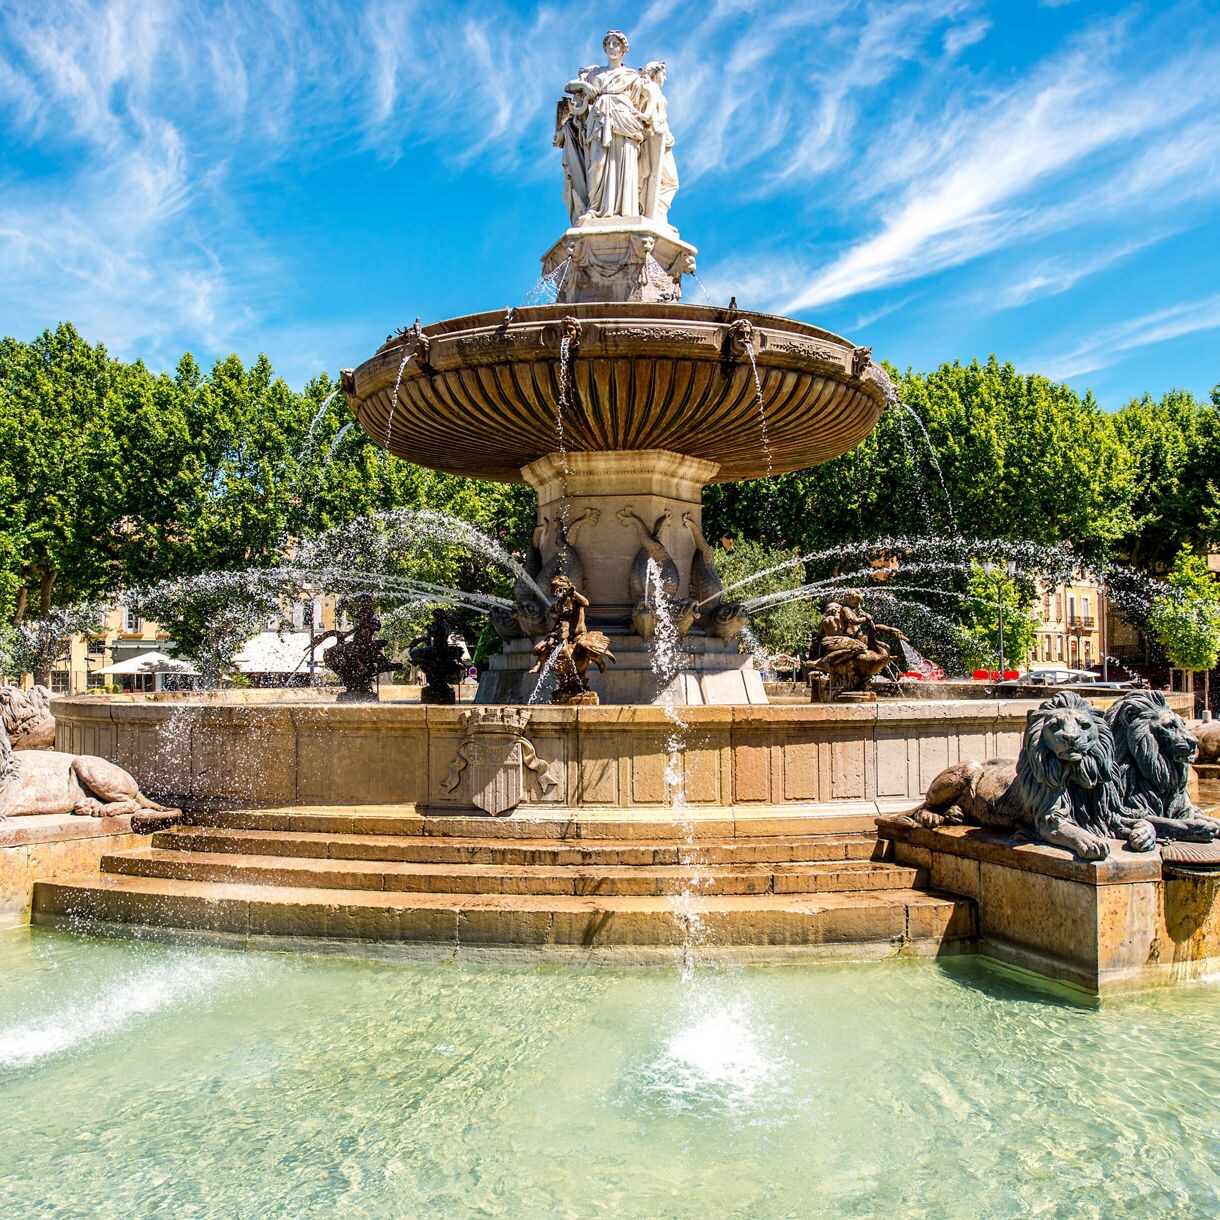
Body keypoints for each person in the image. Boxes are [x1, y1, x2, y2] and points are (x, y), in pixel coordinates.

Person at [562, 31, 650, 220]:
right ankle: (595, 208)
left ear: (623, 49)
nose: (611, 47)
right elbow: (568, 86)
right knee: (597, 163)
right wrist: (584, 86)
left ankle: (627, 209)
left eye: (616, 44)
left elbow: (650, 98)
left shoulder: (632, 76)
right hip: (599, 120)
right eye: (608, 44)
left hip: (625, 121)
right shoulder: (596, 73)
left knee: (623, 163)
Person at [638, 61, 678, 223]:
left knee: (664, 180)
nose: (665, 78)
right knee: (671, 181)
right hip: (657, 137)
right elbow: (650, 114)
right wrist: (657, 130)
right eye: (663, 73)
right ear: (655, 73)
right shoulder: (651, 88)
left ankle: (656, 212)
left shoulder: (645, 88)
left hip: (659, 137)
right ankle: (657, 213)